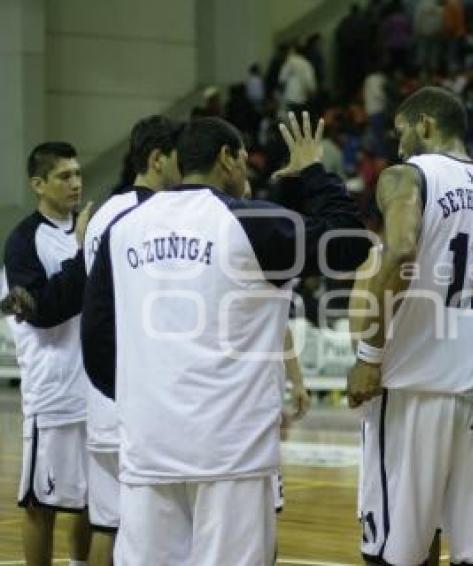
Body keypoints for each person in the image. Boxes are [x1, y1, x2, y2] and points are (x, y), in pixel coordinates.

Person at [81, 114, 370, 565]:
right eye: (244, 161)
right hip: (229, 451)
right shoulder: (249, 223)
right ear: (227, 158)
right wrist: (312, 171)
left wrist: (140, 401)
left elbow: (96, 339)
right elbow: (349, 244)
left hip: (148, 445)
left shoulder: (124, 229)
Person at [346, 86, 473, 565]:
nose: (399, 145)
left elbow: (402, 251)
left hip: (412, 391)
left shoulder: (406, 177)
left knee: (396, 552)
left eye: (401, 133)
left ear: (425, 124)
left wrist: (368, 357)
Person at [82, 115, 183, 565]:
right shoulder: (150, 217)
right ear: (157, 159)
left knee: (109, 522)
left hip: (106, 392)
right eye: (181, 157)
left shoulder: (104, 211)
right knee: (144, 531)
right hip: (136, 395)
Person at [2, 142, 92, 566]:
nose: (75, 183)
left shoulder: (92, 229)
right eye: (64, 176)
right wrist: (80, 253)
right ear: (38, 184)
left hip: (98, 389)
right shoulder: (23, 242)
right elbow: (43, 312)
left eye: (77, 173)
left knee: (97, 500)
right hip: (53, 392)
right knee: (42, 504)